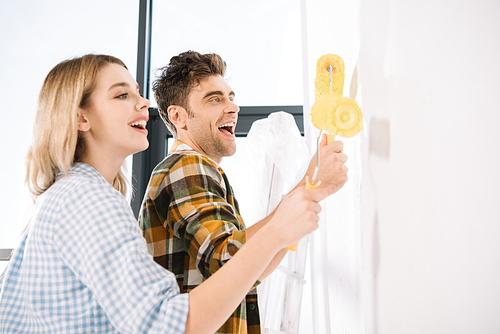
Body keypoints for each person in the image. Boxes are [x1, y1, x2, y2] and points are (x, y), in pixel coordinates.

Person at [0, 54, 331, 334]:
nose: (142, 103)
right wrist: (282, 223)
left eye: (138, 93)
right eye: (121, 95)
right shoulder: (92, 198)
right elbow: (173, 316)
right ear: (80, 117)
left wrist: (302, 200)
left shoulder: (74, 194)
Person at [138, 51, 349, 334]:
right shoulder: (187, 165)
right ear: (179, 117)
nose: (233, 107)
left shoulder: (197, 170)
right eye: (215, 99)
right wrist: (308, 188)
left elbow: (251, 272)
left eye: (231, 97)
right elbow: (228, 261)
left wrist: (311, 188)